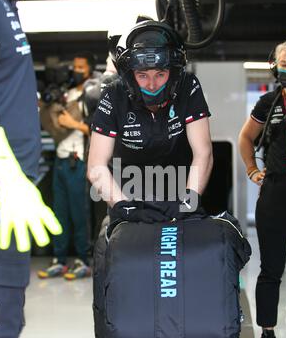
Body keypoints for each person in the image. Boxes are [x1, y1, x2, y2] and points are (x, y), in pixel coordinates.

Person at [0, 0, 61, 338]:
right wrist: (4, 169)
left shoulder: (3, 2)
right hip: (3, 186)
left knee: (2, 322)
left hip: (11, 195)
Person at [87, 20, 213, 226]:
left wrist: (189, 202)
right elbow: (96, 165)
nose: (152, 84)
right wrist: (123, 207)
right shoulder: (113, 94)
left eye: (160, 74)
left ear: (173, 73)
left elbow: (203, 152)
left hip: (179, 192)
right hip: (125, 192)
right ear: (130, 75)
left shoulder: (188, 85)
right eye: (142, 75)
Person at [238, 39, 286, 338]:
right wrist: (251, 169)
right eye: (285, 63)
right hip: (275, 191)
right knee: (271, 269)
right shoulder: (267, 105)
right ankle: (268, 336)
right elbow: (246, 138)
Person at [38, 53, 99, 281]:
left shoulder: (92, 95)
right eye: (73, 66)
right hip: (61, 161)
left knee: (79, 214)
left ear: (90, 71)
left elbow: (100, 130)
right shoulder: (65, 94)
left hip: (78, 161)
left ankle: (83, 260)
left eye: (80, 67)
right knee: (59, 213)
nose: (75, 70)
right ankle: (59, 260)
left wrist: (74, 124)